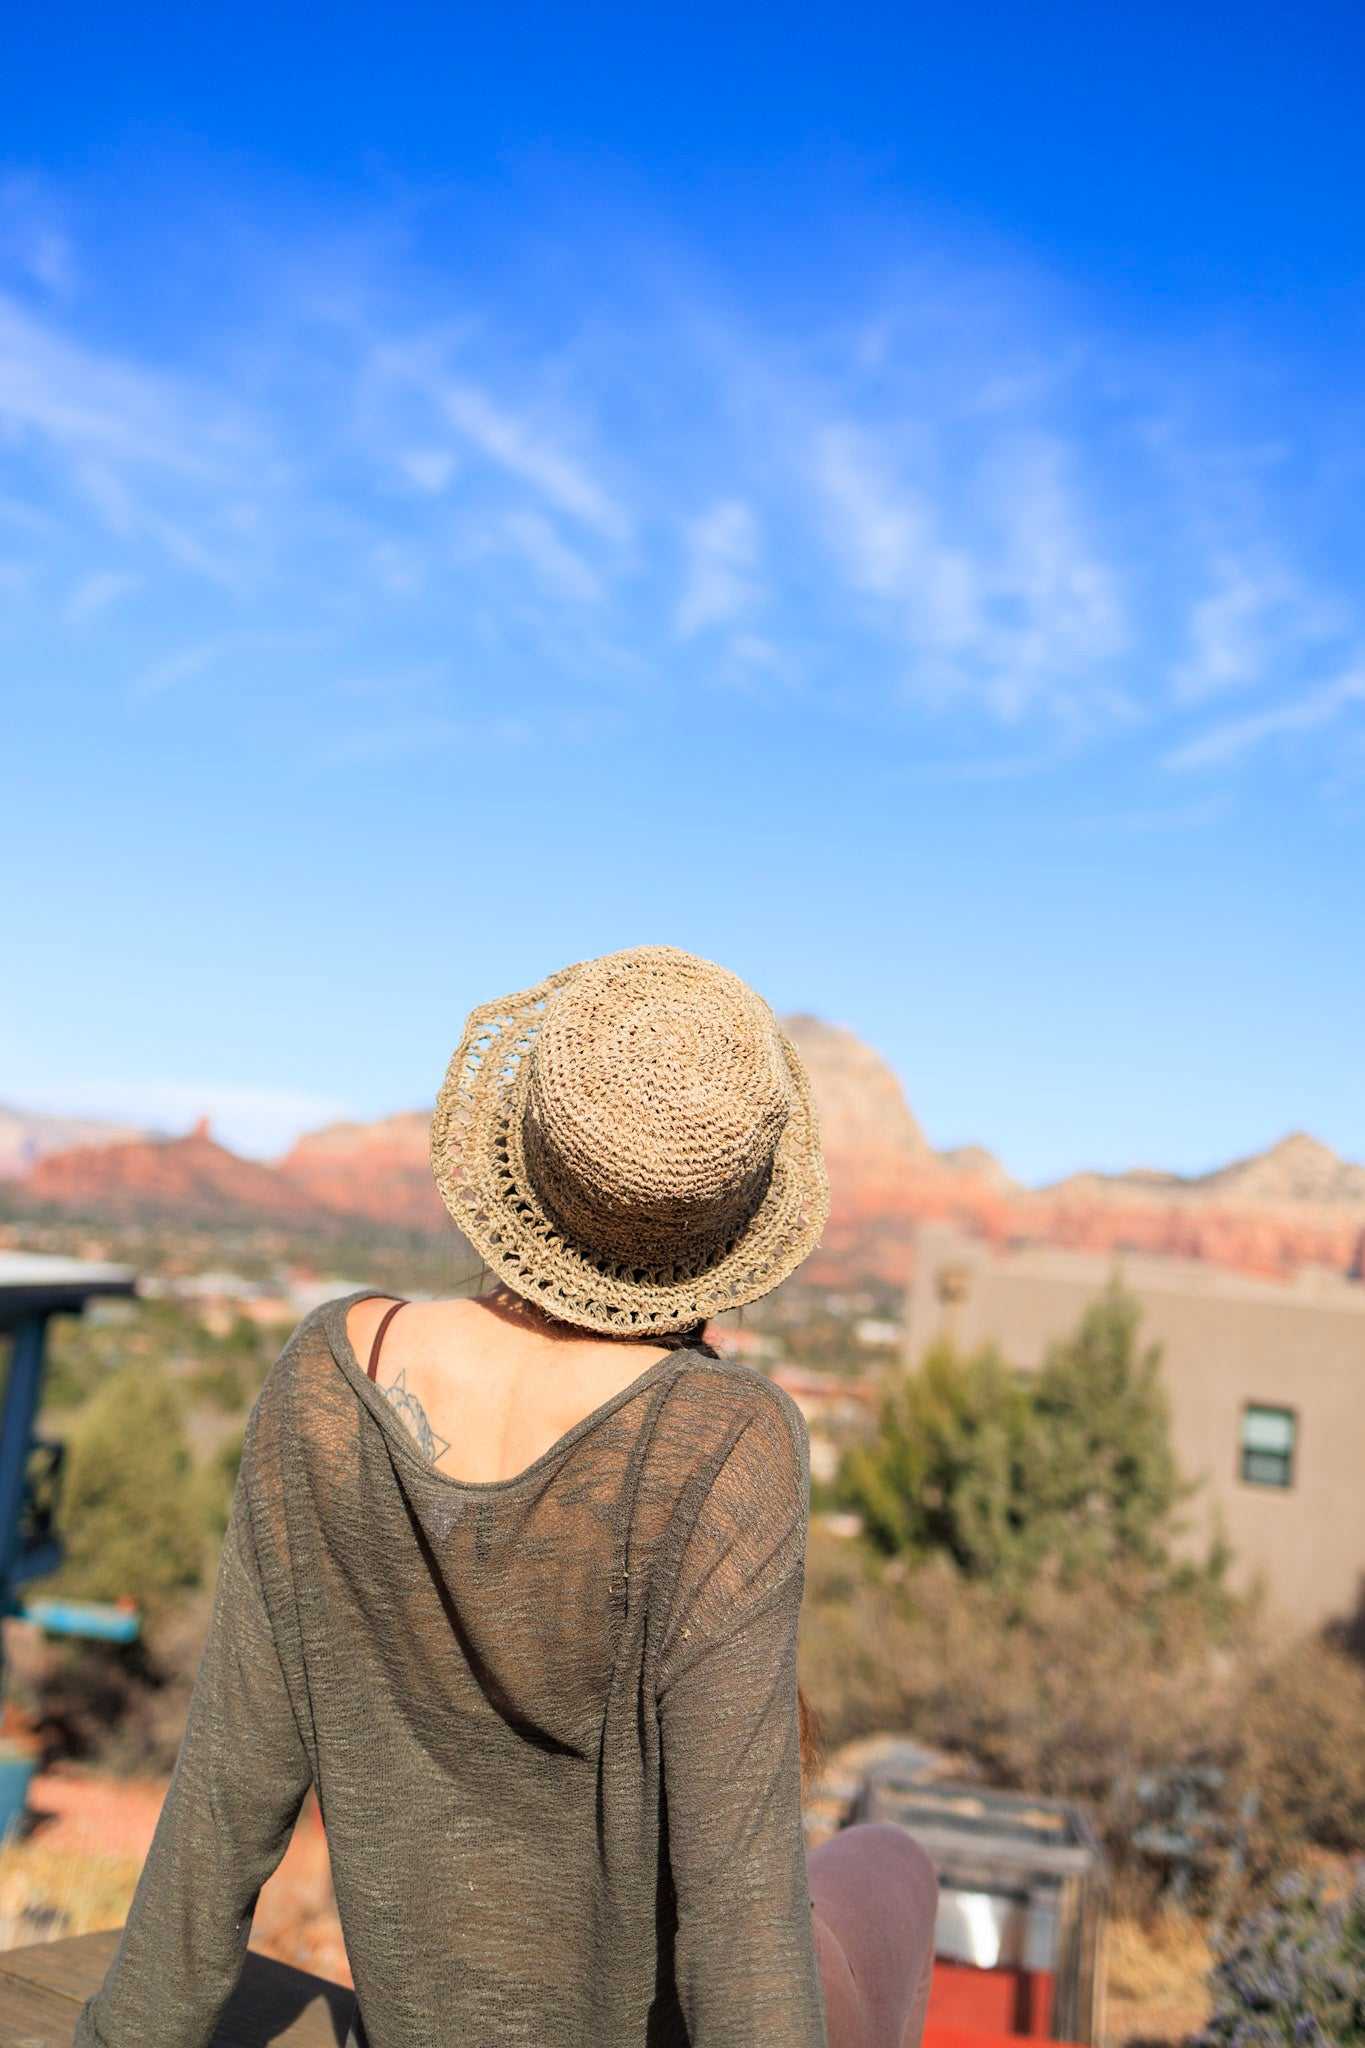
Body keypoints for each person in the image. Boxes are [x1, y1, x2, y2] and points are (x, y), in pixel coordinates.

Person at [73, 943, 938, 2048]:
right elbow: (740, 1921)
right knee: (893, 1862)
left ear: (521, 1159)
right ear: (723, 1228)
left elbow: (224, 1803)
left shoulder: (327, 1378)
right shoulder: (723, 1437)